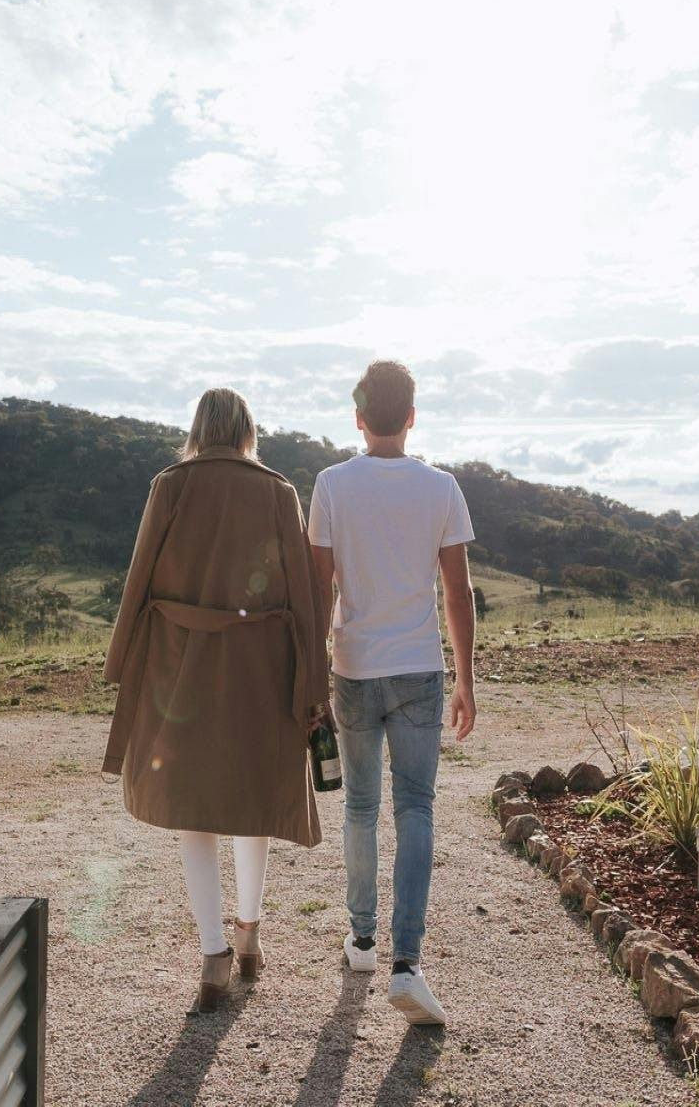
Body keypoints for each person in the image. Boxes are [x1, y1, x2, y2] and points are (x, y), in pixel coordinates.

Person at [103, 388, 329, 1014]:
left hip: (182, 667)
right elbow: (306, 597)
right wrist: (314, 679)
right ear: (249, 430)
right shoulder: (279, 490)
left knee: (192, 808)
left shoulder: (169, 484)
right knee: (252, 801)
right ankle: (250, 936)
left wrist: (120, 661)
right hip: (262, 667)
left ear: (199, 428)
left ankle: (212, 957)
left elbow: (139, 574)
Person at [308, 359, 477, 1028]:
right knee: (415, 807)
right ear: (411, 416)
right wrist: (465, 678)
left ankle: (362, 942)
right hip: (418, 668)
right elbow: (456, 592)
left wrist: (312, 674)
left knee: (360, 806)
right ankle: (407, 965)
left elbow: (320, 588)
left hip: (351, 667)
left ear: (357, 418)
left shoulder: (329, 484)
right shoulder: (441, 488)